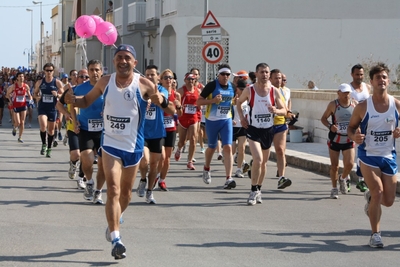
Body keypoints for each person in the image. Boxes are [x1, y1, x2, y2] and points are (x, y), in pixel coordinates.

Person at [64, 44, 174, 259]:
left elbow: (170, 110)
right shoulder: (106, 81)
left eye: (127, 58)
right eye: (119, 57)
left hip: (133, 146)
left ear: (134, 62)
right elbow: (85, 101)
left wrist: (162, 100)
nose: (123, 61)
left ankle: (115, 219)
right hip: (110, 144)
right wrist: (72, 100)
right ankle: (116, 238)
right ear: (113, 61)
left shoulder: (144, 84)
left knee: (125, 194)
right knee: (113, 190)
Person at [347, 62, 400, 248]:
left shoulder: (396, 104)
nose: (381, 80)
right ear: (371, 82)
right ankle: (375, 235)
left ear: (389, 81)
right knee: (378, 193)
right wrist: (355, 136)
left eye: (384, 77)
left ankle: (369, 199)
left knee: (389, 201)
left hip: (389, 155)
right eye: (378, 78)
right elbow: (350, 128)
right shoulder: (363, 106)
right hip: (368, 156)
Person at [236, 63, 287, 205]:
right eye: (262, 72)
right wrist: (242, 118)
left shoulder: (274, 91)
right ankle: (252, 191)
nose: (265, 75)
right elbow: (239, 103)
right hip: (253, 128)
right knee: (257, 159)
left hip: (268, 129)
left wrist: (276, 110)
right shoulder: (249, 90)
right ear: (256, 74)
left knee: (263, 163)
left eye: (267, 72)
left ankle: (258, 189)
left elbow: (284, 110)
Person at [137, 65, 174, 204]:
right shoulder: (140, 90)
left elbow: (163, 98)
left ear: (158, 77)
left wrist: (154, 99)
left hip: (158, 133)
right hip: (142, 132)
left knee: (154, 164)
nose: (150, 77)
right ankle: (142, 179)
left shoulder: (162, 89)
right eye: (147, 74)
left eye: (153, 74)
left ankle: (150, 191)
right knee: (145, 161)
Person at [197, 64, 236, 189]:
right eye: (223, 74)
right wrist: (212, 101)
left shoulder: (233, 87)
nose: (225, 77)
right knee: (212, 147)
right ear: (218, 75)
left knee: (228, 147)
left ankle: (229, 178)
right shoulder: (212, 85)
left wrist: (234, 117)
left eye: (227, 74)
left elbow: (232, 103)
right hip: (212, 120)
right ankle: (206, 168)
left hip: (226, 120)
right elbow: (198, 102)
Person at [73, 60, 105, 203]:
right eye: (91, 70)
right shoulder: (80, 89)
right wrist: (74, 120)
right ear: (88, 71)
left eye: (97, 69)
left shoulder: (109, 88)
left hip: (105, 131)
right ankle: (90, 182)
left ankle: (98, 190)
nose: (94, 72)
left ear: (101, 71)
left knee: (104, 164)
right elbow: (70, 104)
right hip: (86, 128)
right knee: (87, 159)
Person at [320, 83, 356, 199]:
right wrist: (331, 126)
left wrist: (358, 128)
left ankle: (343, 177)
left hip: (349, 139)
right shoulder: (333, 105)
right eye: (344, 92)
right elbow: (323, 118)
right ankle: (334, 188)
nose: (346, 95)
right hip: (335, 139)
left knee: (350, 164)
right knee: (334, 166)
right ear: (338, 93)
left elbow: (361, 119)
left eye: (348, 92)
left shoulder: (355, 104)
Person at [56, 69, 88, 188]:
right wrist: (66, 113)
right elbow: (58, 104)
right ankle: (73, 164)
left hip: (87, 127)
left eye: (86, 77)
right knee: (75, 154)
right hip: (72, 126)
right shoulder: (71, 91)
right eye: (82, 77)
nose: (84, 79)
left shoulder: (94, 92)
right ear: (77, 78)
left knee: (85, 155)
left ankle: (81, 178)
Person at [156, 69, 181, 191]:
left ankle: (162, 180)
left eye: (170, 77)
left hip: (171, 128)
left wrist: (178, 105)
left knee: (167, 158)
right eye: (165, 78)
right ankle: (155, 175)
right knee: (162, 156)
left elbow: (180, 114)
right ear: (161, 80)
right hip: (160, 128)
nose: (168, 80)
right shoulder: (159, 93)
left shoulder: (176, 95)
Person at [349, 64, 371, 193]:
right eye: (357, 74)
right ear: (352, 74)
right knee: (357, 151)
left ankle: (363, 178)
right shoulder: (349, 89)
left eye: (361, 74)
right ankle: (359, 178)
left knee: (366, 149)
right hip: (354, 124)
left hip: (368, 124)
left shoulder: (367, 87)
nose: (359, 77)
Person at [34, 63, 64, 157]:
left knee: (51, 131)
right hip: (43, 107)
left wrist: (57, 95)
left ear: (53, 71)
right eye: (47, 70)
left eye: (50, 70)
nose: (49, 72)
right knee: (43, 126)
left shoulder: (57, 82)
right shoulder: (40, 82)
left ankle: (49, 148)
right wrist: (37, 96)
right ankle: (44, 144)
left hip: (52, 108)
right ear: (44, 71)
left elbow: (63, 95)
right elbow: (35, 93)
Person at [270, 69, 292, 189]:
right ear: (270, 79)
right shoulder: (266, 90)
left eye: (280, 78)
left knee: (280, 150)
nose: (279, 81)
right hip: (266, 125)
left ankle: (281, 178)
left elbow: (287, 104)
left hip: (280, 124)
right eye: (276, 78)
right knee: (263, 154)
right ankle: (255, 167)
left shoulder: (285, 91)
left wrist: (288, 113)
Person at [175, 73, 201, 170]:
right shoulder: (181, 91)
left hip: (194, 117)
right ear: (185, 80)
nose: (190, 81)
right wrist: (179, 107)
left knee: (194, 139)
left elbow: (200, 102)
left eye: (192, 79)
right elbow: (175, 101)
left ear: (195, 81)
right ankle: (179, 149)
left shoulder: (198, 91)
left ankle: (190, 161)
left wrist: (200, 106)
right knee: (182, 141)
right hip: (183, 117)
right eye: (188, 79)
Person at [6, 72, 33, 143]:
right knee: (17, 122)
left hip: (23, 105)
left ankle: (20, 137)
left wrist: (30, 98)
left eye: (22, 76)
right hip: (16, 106)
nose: (21, 78)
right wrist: (10, 101)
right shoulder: (14, 86)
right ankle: (15, 128)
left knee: (22, 122)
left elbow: (29, 95)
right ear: (17, 78)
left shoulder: (26, 86)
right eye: (20, 76)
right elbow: (7, 94)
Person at [231, 79, 249, 178]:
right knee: (232, 149)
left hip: (243, 127)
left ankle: (238, 170)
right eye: (240, 89)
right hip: (233, 126)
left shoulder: (248, 100)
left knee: (242, 148)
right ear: (237, 89)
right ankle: (228, 162)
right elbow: (226, 112)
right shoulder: (232, 99)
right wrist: (230, 120)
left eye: (244, 89)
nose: (242, 91)